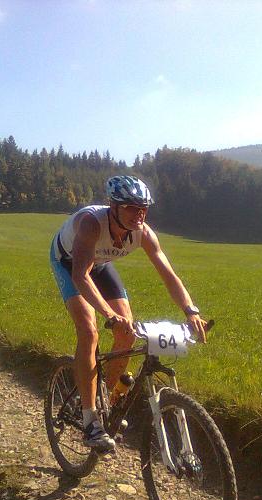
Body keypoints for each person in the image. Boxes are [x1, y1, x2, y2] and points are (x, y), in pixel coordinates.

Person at [50, 175, 206, 451]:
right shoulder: (90, 223)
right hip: (70, 263)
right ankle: (90, 421)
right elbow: (81, 276)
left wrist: (190, 310)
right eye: (132, 207)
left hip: (100, 263)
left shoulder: (143, 232)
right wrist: (109, 314)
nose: (139, 214)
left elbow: (168, 275)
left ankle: (105, 401)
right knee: (89, 331)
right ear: (113, 206)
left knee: (128, 333)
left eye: (144, 208)